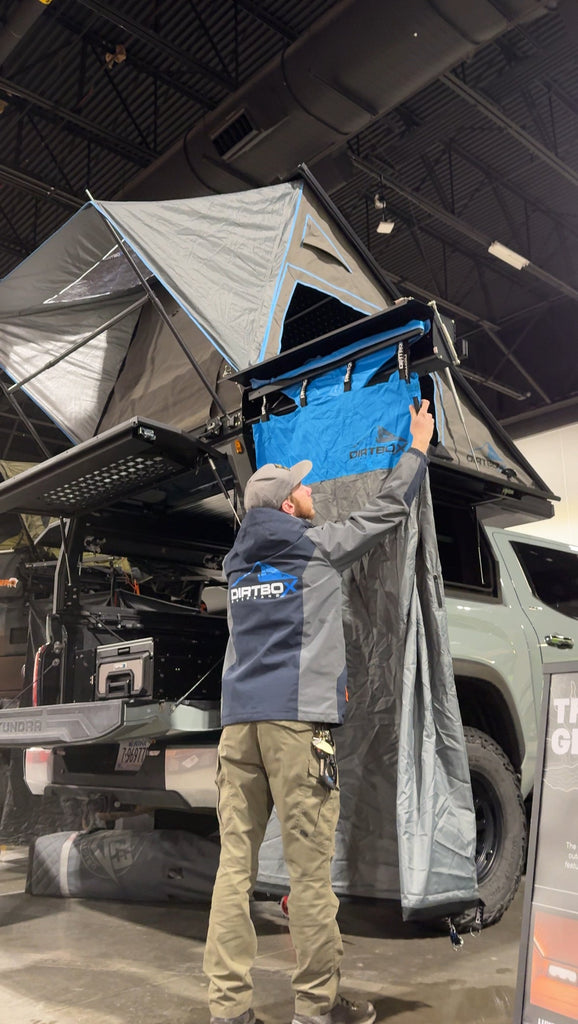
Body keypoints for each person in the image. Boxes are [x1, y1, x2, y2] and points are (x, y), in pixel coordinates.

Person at [203, 400, 435, 1024]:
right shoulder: (316, 549)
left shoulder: (234, 566)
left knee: (234, 871)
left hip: (236, 730)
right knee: (308, 878)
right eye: (302, 487)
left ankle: (229, 1011)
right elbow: (387, 511)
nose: (310, 492)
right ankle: (316, 1008)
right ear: (286, 507)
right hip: (295, 729)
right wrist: (417, 446)